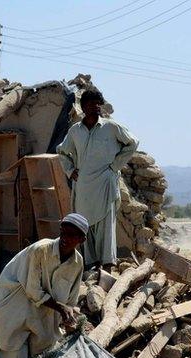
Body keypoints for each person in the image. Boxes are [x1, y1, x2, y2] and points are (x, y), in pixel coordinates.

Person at [0, 213, 89, 358]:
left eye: (72, 235)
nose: (65, 239)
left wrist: (69, 319)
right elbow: (32, 290)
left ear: (82, 239)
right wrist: (61, 307)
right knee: (14, 352)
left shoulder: (77, 263)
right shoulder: (40, 250)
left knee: (40, 353)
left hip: (43, 308)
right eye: (64, 233)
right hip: (16, 303)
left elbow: (71, 300)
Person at [57, 89, 138, 272]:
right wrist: (70, 171)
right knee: (83, 226)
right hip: (84, 187)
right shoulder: (75, 131)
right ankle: (89, 267)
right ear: (83, 107)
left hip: (105, 184)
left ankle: (108, 266)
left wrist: (115, 165)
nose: (96, 107)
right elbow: (62, 151)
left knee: (106, 226)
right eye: (92, 103)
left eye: (98, 103)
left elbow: (132, 142)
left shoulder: (111, 127)